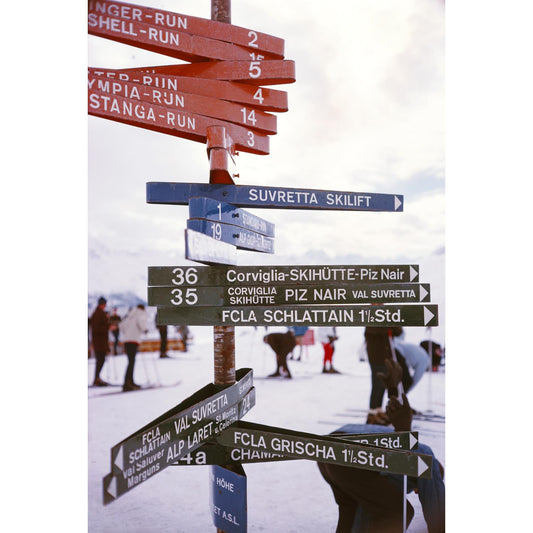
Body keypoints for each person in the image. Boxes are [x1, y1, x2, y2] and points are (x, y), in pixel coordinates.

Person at [317, 392, 445, 533]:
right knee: (398, 513)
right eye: (418, 490)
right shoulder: (427, 463)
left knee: (351, 509)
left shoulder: (411, 457)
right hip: (351, 455)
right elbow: (436, 508)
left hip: (328, 449)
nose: (415, 492)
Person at [364, 326, 403, 424]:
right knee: (377, 383)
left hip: (386, 354)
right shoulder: (371, 318)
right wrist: (389, 325)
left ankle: (378, 410)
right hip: (376, 355)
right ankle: (372, 413)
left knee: (383, 383)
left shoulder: (387, 316)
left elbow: (398, 332)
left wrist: (395, 325)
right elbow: (373, 329)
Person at [119, 304, 148, 392]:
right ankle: (127, 383)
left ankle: (130, 381)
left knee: (130, 362)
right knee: (131, 362)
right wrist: (145, 330)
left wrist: (127, 334)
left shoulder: (129, 315)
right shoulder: (141, 313)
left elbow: (121, 326)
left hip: (127, 341)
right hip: (134, 340)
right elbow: (141, 322)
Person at [90, 297, 110, 386]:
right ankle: (96, 378)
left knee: (101, 360)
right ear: (102, 304)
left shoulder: (98, 313)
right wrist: (108, 327)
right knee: (100, 360)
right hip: (99, 341)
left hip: (99, 341)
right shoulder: (98, 313)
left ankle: (97, 378)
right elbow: (97, 328)